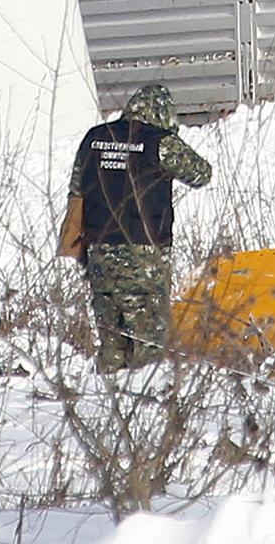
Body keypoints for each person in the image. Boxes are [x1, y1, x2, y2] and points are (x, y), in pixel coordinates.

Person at [68, 84, 211, 370]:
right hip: (144, 252)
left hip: (99, 252)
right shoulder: (159, 142)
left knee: (111, 339)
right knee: (149, 343)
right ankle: (144, 406)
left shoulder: (94, 138)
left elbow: (76, 190)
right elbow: (201, 174)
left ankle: (107, 401)